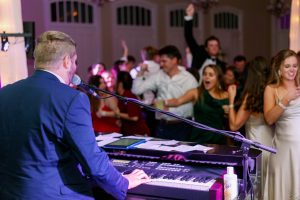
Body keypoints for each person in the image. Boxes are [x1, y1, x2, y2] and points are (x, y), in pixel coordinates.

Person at [0, 31, 149, 200]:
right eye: (75, 61)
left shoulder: (5, 93)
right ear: (66, 61)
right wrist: (123, 182)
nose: (75, 67)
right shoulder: (72, 98)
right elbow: (92, 161)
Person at [227, 56, 273, 198]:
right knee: (268, 187)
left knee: (255, 189)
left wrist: (231, 100)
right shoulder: (272, 91)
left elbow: (234, 125)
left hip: (256, 147)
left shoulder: (252, 95)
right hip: (271, 145)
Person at [132, 45, 198, 141]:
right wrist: (141, 72)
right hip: (162, 126)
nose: (161, 64)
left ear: (174, 60)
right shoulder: (158, 75)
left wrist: (165, 103)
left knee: (181, 155)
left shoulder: (188, 78)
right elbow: (136, 90)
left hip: (183, 126)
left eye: (164, 61)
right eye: (160, 61)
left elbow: (195, 100)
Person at [263, 49, 300, 200]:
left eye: (295, 66)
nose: (292, 70)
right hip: (284, 151)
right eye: (287, 66)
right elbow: (269, 119)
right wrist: (285, 100)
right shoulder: (271, 89)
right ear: (278, 68)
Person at [165, 64, 229, 144]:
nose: (206, 77)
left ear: (218, 79)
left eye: (211, 75)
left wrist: (229, 111)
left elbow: (229, 120)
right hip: (200, 138)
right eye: (205, 74)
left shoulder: (226, 95)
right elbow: (177, 101)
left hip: (219, 139)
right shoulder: (196, 92)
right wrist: (156, 104)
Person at [184, 3, 226, 82]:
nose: (214, 47)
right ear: (206, 48)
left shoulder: (222, 65)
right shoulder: (199, 54)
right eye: (211, 45)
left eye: (216, 45)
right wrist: (189, 17)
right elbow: (189, 36)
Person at [116, 71, 150, 136]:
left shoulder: (129, 96)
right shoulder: (122, 96)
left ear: (120, 83)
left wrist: (117, 113)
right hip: (130, 132)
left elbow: (134, 117)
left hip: (138, 133)